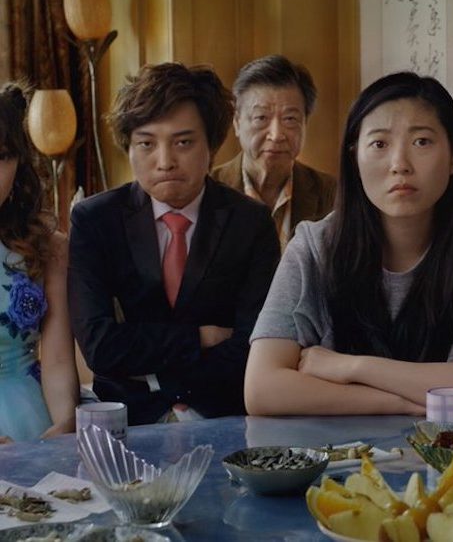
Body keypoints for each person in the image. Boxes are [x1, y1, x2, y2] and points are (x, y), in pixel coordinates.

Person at [244, 72, 453, 417]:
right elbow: (262, 390)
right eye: (379, 144)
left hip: (449, 452)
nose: (400, 165)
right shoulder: (313, 247)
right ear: (354, 158)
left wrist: (350, 367)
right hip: (334, 452)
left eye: (422, 142)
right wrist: (405, 403)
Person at [68, 63, 280, 425]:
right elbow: (100, 346)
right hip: (128, 420)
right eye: (147, 144)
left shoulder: (250, 222)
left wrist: (160, 374)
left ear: (211, 145)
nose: (165, 162)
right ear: (129, 147)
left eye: (183, 142)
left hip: (223, 415)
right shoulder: (94, 220)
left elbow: (255, 342)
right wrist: (199, 337)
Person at [0, 84, 78, 442]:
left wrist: (63, 425)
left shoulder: (47, 247)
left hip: (29, 412)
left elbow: (58, 358)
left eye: (2, 156)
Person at [212, 55, 336, 250]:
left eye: (290, 119)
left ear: (305, 123)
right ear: (237, 123)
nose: (276, 135)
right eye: (261, 118)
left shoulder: (331, 193)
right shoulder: (208, 190)